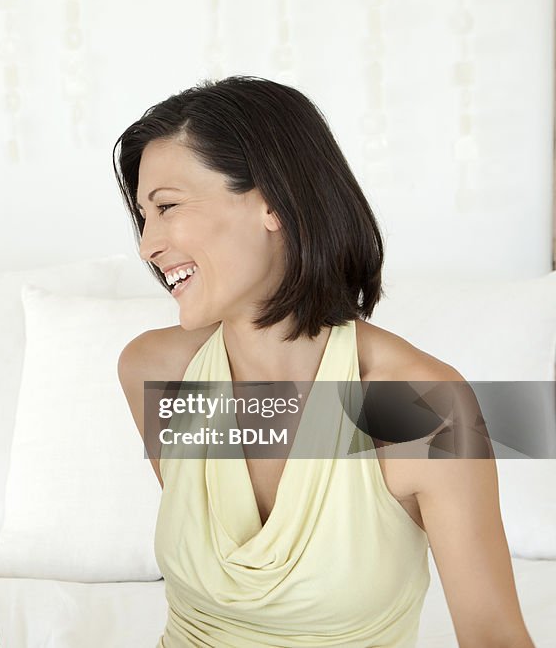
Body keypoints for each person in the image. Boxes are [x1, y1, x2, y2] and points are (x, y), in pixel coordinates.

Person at [114, 77, 534, 647]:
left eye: (167, 207)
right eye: (144, 215)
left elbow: (494, 637)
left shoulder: (422, 406)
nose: (147, 245)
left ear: (273, 205)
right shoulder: (155, 371)